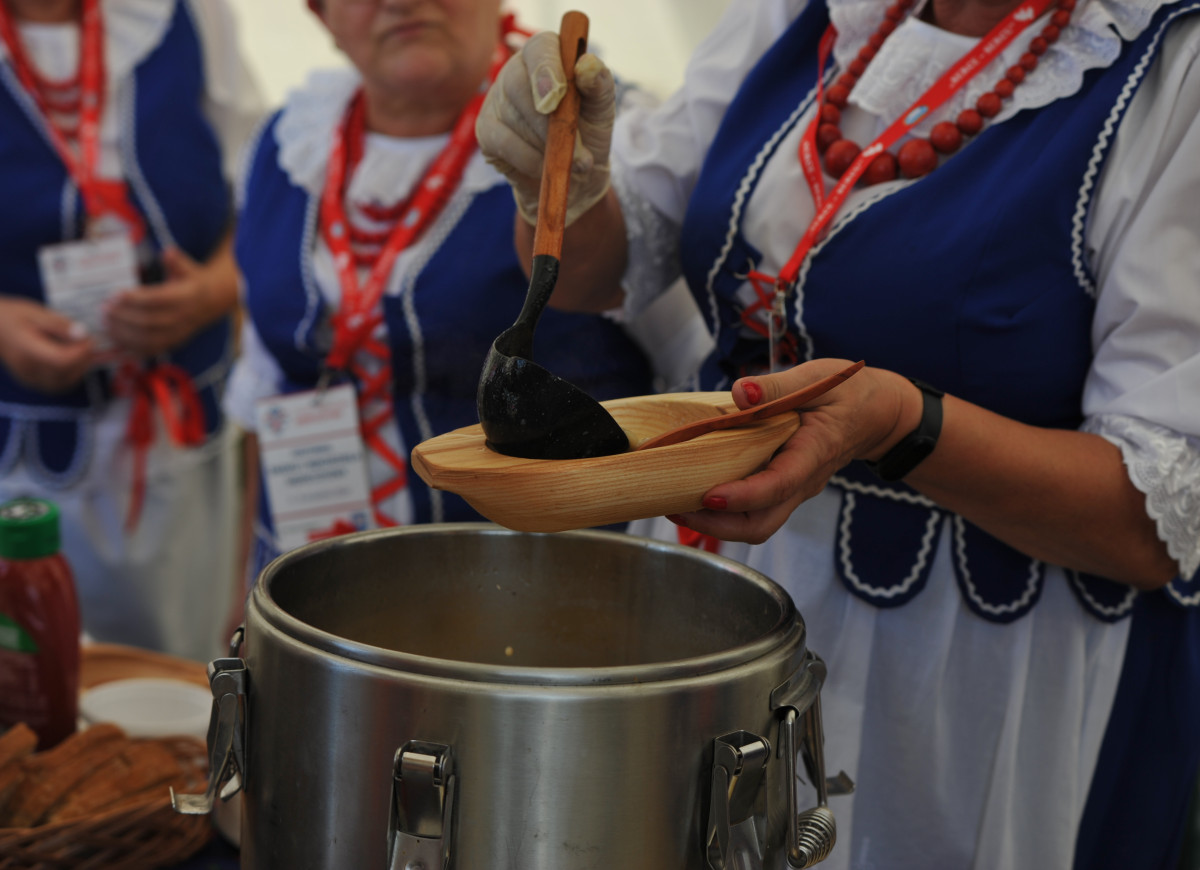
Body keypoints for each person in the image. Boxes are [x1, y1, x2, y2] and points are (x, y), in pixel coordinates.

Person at [475, 0, 1200, 866]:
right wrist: (558, 182)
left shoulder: (1170, 71)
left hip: (965, 679)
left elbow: (1151, 517)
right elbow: (606, 268)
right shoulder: (804, 13)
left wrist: (897, 421)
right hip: (726, 607)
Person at [222, 0, 653, 597]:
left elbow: (685, 382)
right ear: (321, 14)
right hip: (310, 587)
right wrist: (243, 592)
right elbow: (265, 383)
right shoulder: (282, 143)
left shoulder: (612, 137)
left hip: (528, 600)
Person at [0, 0, 263, 661]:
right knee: (30, 693)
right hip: (18, 462)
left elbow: (269, 194)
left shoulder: (189, 15)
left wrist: (213, 290)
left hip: (180, 443)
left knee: (174, 682)